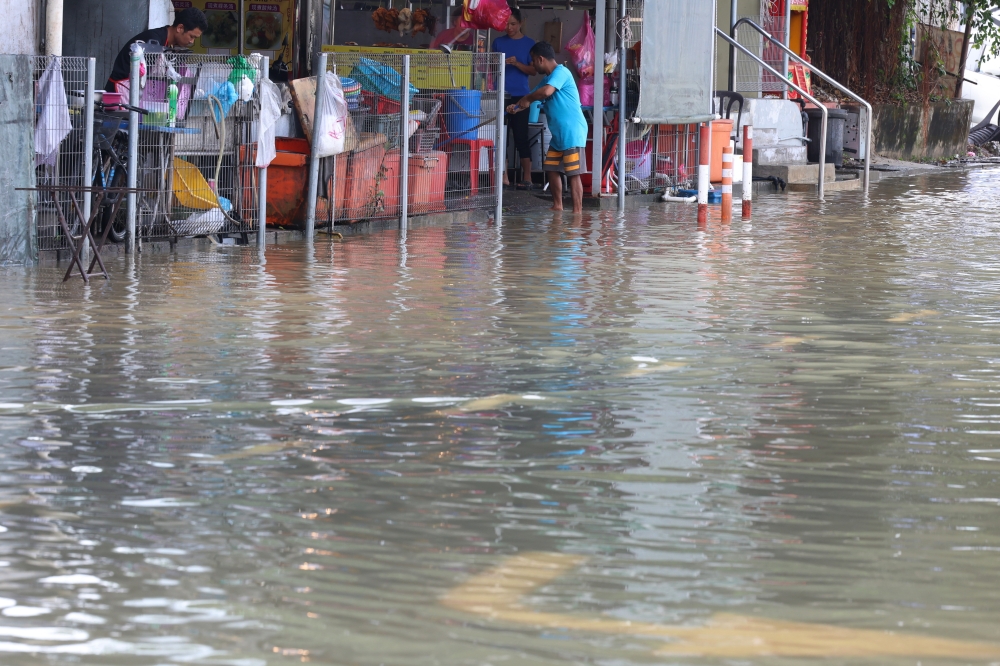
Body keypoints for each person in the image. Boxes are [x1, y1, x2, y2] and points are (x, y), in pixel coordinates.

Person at [507, 41, 588, 213]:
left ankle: (577, 212)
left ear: (540, 59)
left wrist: (528, 100)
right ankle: (558, 206)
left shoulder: (562, 72)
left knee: (573, 173)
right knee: (551, 168)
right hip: (558, 135)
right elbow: (531, 97)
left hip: (572, 132)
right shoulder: (546, 80)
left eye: (533, 61)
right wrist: (515, 107)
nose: (533, 65)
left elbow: (544, 93)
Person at [105, 8, 208, 92]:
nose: (192, 42)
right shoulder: (153, 42)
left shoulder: (167, 44)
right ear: (180, 28)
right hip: (120, 93)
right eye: (191, 36)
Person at [492, 9, 536, 189]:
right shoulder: (497, 42)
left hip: (521, 97)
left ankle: (527, 178)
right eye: (506, 24)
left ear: (520, 23)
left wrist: (517, 63)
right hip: (500, 94)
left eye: (513, 24)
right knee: (501, 136)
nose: (509, 28)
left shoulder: (529, 44)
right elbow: (489, 67)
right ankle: (504, 176)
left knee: (520, 136)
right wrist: (496, 64)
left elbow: (534, 71)